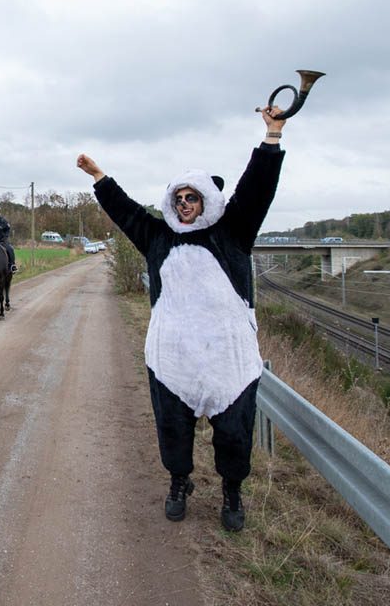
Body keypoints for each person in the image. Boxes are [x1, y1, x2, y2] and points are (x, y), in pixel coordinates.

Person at [76, 106, 287, 533]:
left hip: (228, 358)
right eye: (178, 198)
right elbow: (127, 212)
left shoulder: (233, 232)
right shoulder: (159, 237)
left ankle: (232, 492)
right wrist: (99, 177)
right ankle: (179, 483)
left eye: (192, 198)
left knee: (234, 433)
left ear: (207, 200)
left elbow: (256, 189)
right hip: (173, 358)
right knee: (172, 428)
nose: (185, 204)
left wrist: (272, 136)